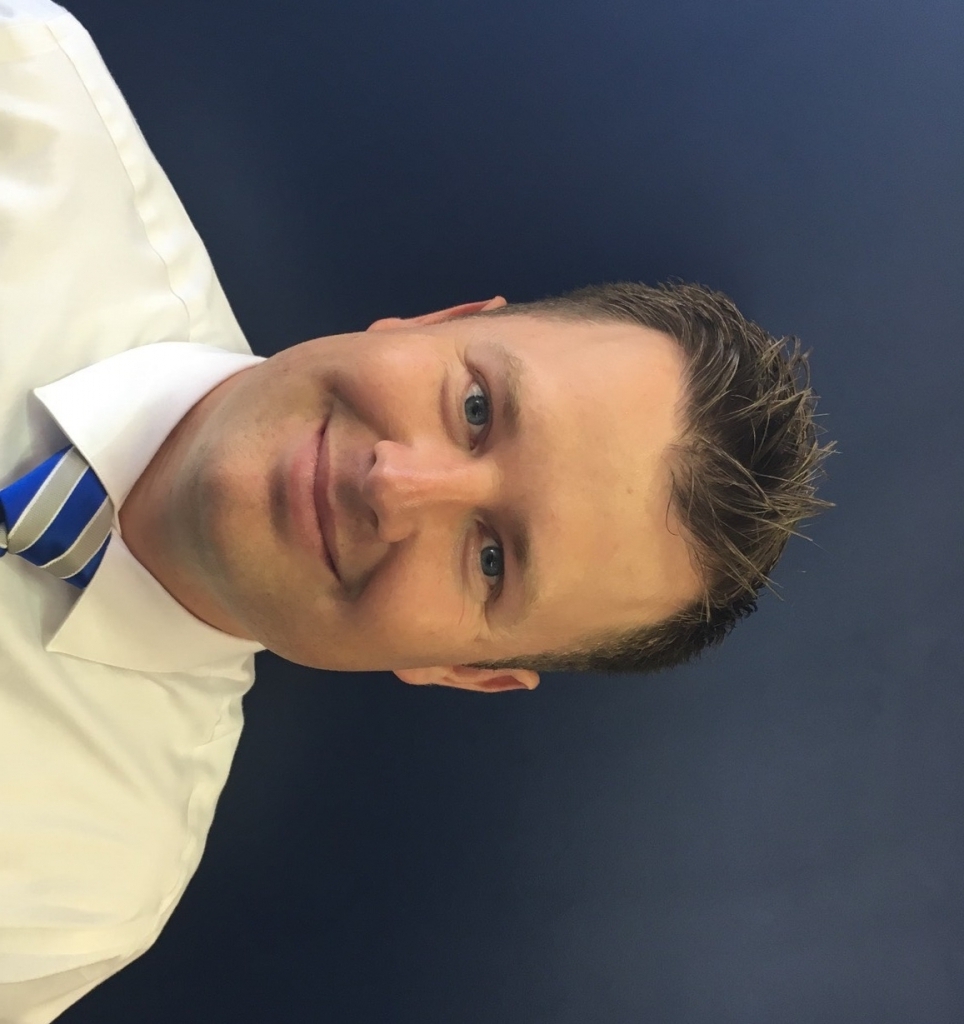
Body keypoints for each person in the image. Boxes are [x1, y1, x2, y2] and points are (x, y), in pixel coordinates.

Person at [0, 1, 832, 1021]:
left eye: (491, 560)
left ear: (461, 671)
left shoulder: (82, 903)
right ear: (433, 321)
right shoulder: (25, 93)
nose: (395, 486)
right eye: (477, 408)